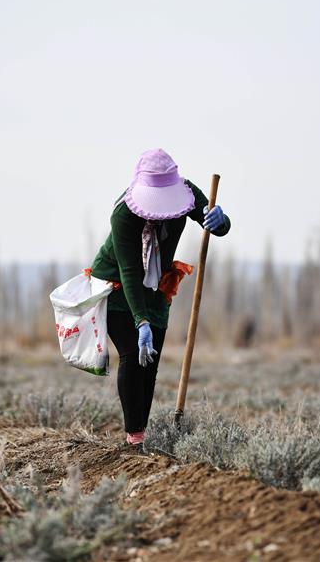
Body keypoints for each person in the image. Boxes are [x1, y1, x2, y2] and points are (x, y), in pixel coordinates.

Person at [90, 149, 231, 450]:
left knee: (150, 365)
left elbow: (214, 225)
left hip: (156, 284)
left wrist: (220, 221)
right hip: (117, 285)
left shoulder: (188, 193)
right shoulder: (123, 214)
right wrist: (140, 321)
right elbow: (129, 272)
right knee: (132, 354)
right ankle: (134, 439)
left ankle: (140, 436)